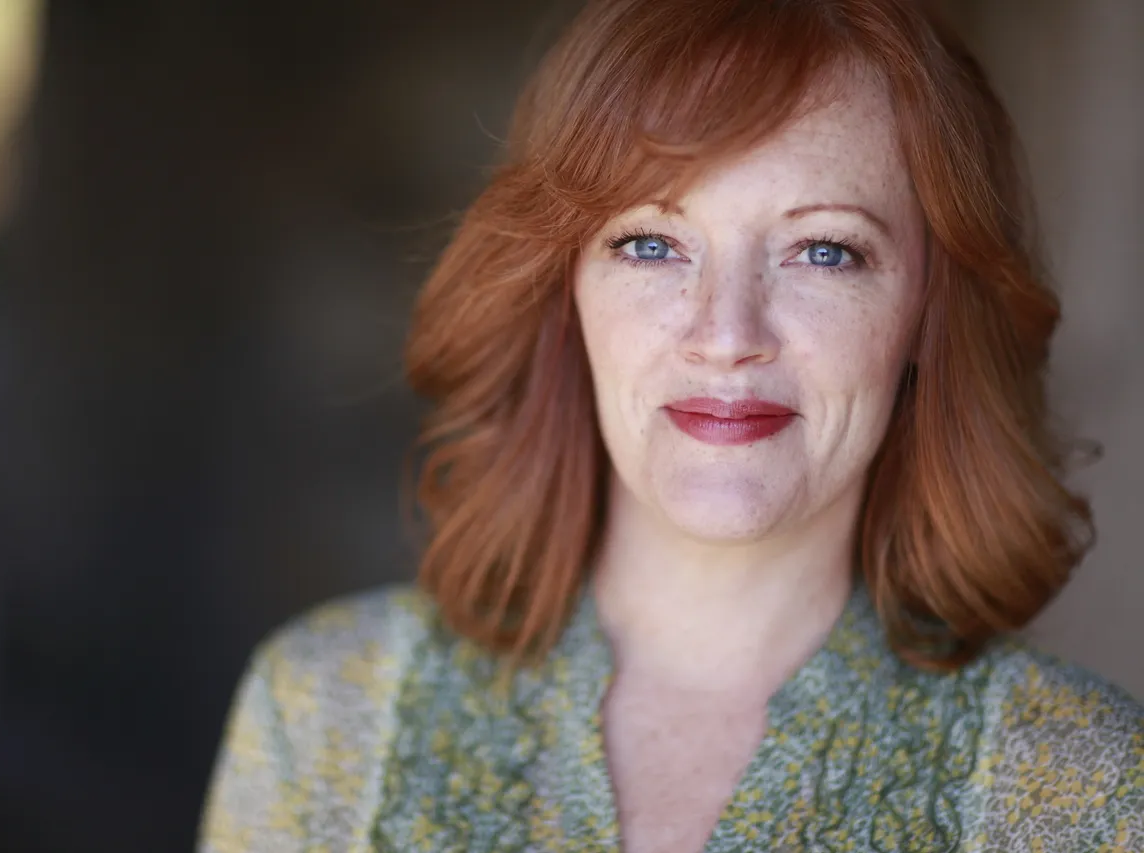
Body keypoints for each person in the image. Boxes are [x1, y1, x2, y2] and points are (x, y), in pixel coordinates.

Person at [198, 0, 1144, 850]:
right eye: (650, 241)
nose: (726, 335)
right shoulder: (323, 712)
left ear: (926, 316)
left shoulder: (1081, 788)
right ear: (563, 291)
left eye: (824, 250)